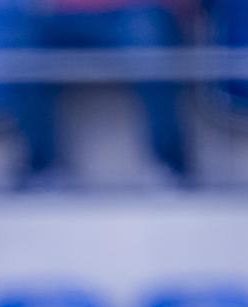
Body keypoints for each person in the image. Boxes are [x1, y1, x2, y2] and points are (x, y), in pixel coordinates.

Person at [16, 0, 191, 188]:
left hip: (137, 10)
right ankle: (43, 168)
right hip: (61, 13)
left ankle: (169, 166)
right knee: (21, 52)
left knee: (152, 48)